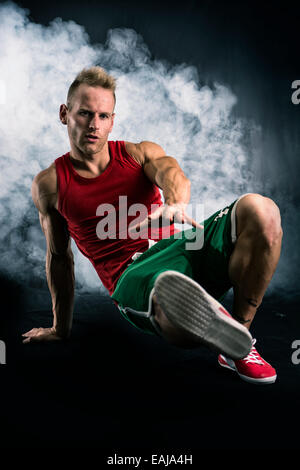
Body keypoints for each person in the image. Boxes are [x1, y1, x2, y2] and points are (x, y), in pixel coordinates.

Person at [22, 67, 283, 384]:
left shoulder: (137, 153)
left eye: (103, 116)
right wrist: (59, 329)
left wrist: (175, 204)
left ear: (112, 120)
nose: (94, 125)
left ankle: (238, 342)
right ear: (65, 114)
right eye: (84, 114)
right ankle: (203, 317)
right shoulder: (50, 185)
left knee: (261, 209)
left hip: (186, 246)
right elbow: (59, 258)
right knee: (165, 293)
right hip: (134, 273)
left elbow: (171, 171)